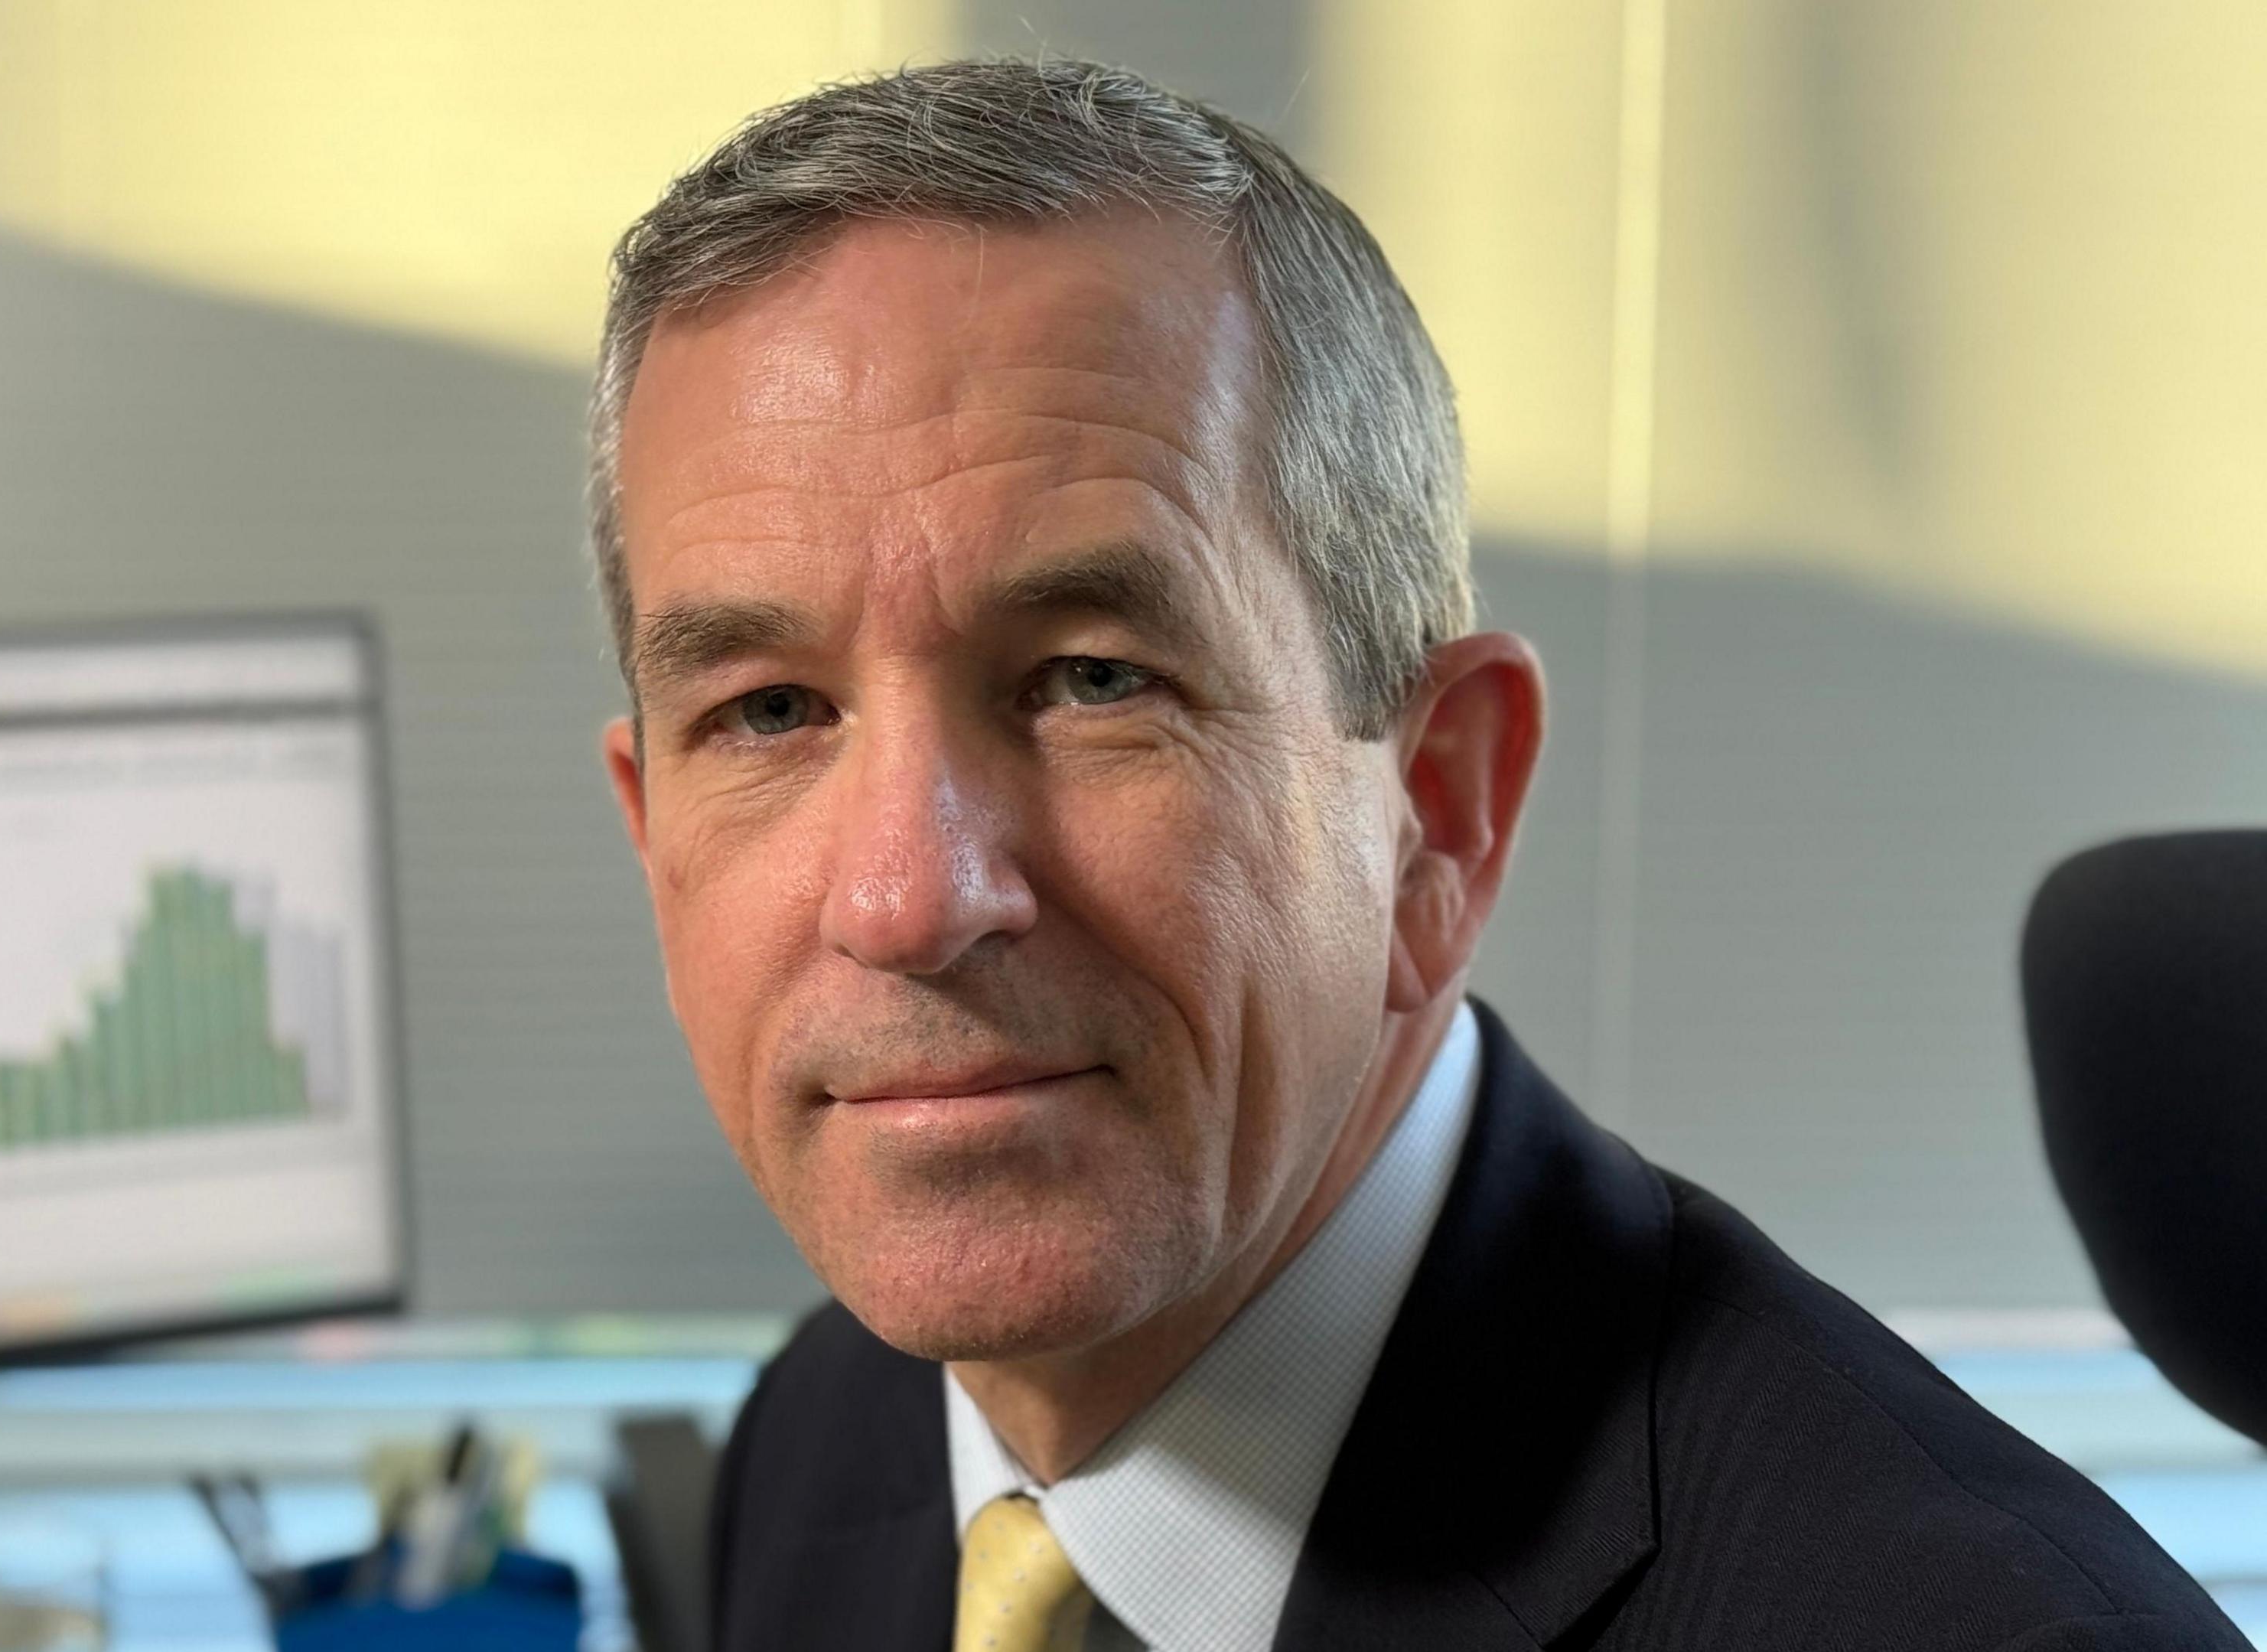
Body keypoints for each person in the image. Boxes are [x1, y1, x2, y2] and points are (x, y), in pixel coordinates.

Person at [588, 58, 2243, 1652]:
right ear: (651, 832)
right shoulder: (830, 1433)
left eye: (1098, 681)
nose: (907, 895)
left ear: (1437, 808)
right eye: (769, 710)